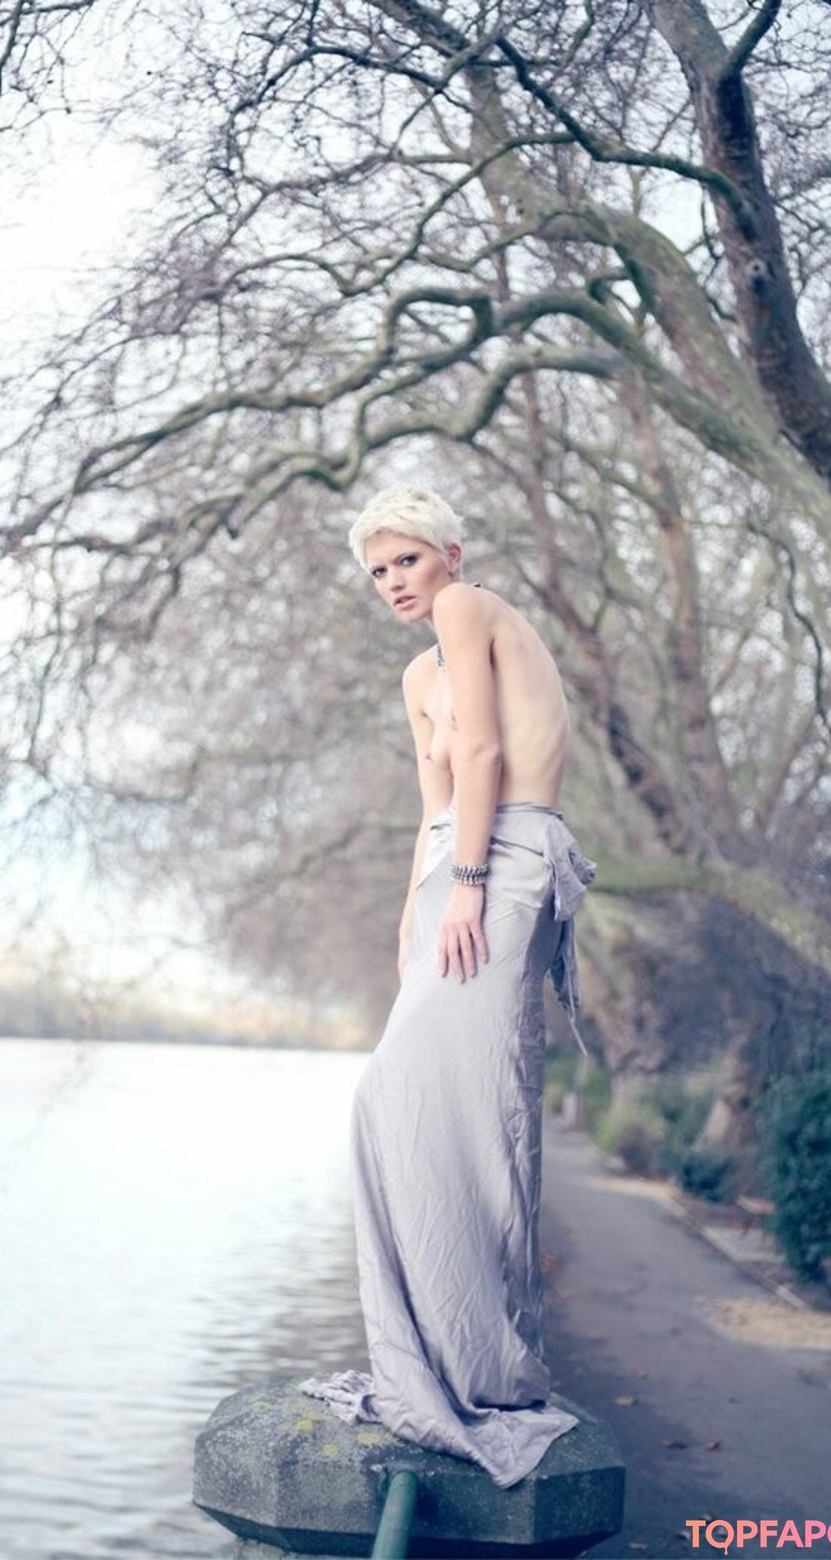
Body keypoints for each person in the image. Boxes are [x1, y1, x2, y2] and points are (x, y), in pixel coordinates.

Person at [301, 485, 595, 1489]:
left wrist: (468, 887)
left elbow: (484, 754)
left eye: (408, 561)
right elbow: (432, 799)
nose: (394, 582)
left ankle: (487, 1362)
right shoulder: (415, 674)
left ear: (450, 557)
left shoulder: (471, 608)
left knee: (452, 1102)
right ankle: (435, 1348)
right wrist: (411, 911)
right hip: (450, 874)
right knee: (411, 1105)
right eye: (378, 570)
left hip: (504, 864)